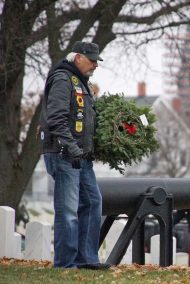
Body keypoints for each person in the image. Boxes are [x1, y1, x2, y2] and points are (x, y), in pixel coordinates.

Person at [39, 41, 109, 269]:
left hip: (80, 157)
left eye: (97, 60)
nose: (95, 65)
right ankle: (65, 264)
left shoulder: (81, 82)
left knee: (92, 203)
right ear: (77, 57)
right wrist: (72, 147)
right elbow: (56, 118)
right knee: (69, 211)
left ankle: (87, 259)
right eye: (91, 60)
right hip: (64, 154)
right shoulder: (62, 78)